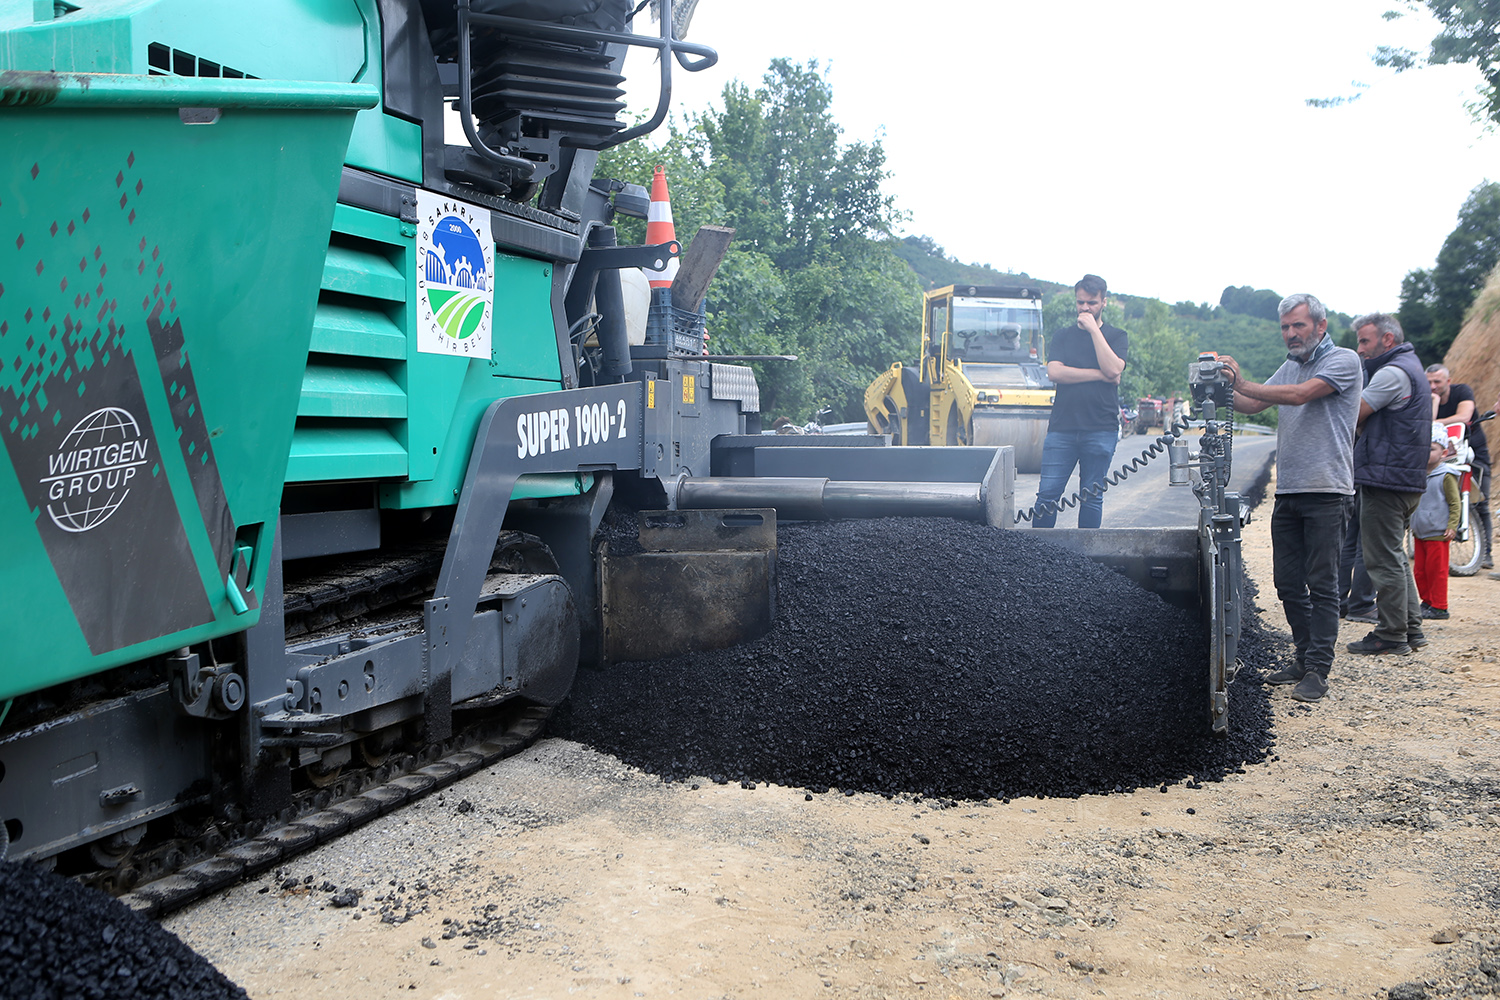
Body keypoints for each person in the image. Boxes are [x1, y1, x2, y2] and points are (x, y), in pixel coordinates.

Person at [1218, 293, 1362, 703]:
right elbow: (1252, 403)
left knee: (1323, 583)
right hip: (1290, 489)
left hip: (1327, 491)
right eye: (1285, 327)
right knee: (1286, 582)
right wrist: (1223, 385)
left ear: (1321, 325)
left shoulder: (1344, 361)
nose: (1290, 334)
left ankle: (1318, 669)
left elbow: (1300, 395)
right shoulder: (1291, 365)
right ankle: (1302, 657)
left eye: (1298, 325)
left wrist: (1244, 381)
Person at [1346, 313, 1431, 657]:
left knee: (1381, 559)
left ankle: (1391, 634)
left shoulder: (1391, 374)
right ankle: (1411, 628)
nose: (1360, 349)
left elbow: (1352, 414)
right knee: (1394, 556)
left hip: (1386, 479)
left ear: (1388, 340)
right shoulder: (1411, 367)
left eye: (1365, 341)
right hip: (1405, 478)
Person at [1032, 274, 1128, 529]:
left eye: (1092, 303)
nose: (1085, 308)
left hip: (1100, 427)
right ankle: (1035, 556)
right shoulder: (1063, 336)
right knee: (1047, 495)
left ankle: (1086, 561)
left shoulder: (1117, 336)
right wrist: (1102, 375)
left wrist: (1095, 331)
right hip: (1063, 427)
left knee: (1092, 497)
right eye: (1081, 302)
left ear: (1104, 302)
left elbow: (1114, 368)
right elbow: (1055, 373)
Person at [1426, 364, 1492, 571]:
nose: (1433, 386)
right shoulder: (1428, 397)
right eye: (1428, 382)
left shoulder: (1462, 391)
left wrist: (1435, 422)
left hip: (1472, 453)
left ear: (1448, 381)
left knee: (1480, 501)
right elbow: (1425, 423)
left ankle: (1487, 553)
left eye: (1437, 382)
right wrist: (1433, 402)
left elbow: (1464, 417)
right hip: (1439, 457)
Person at [1413, 424, 1463, 620]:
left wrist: (1452, 525)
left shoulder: (1446, 475)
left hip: (1438, 532)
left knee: (1437, 571)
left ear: (1443, 453)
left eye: (1431, 449)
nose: (1426, 453)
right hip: (1420, 531)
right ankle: (1426, 602)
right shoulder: (1418, 474)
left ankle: (1440, 606)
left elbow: (1454, 502)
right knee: (1420, 570)